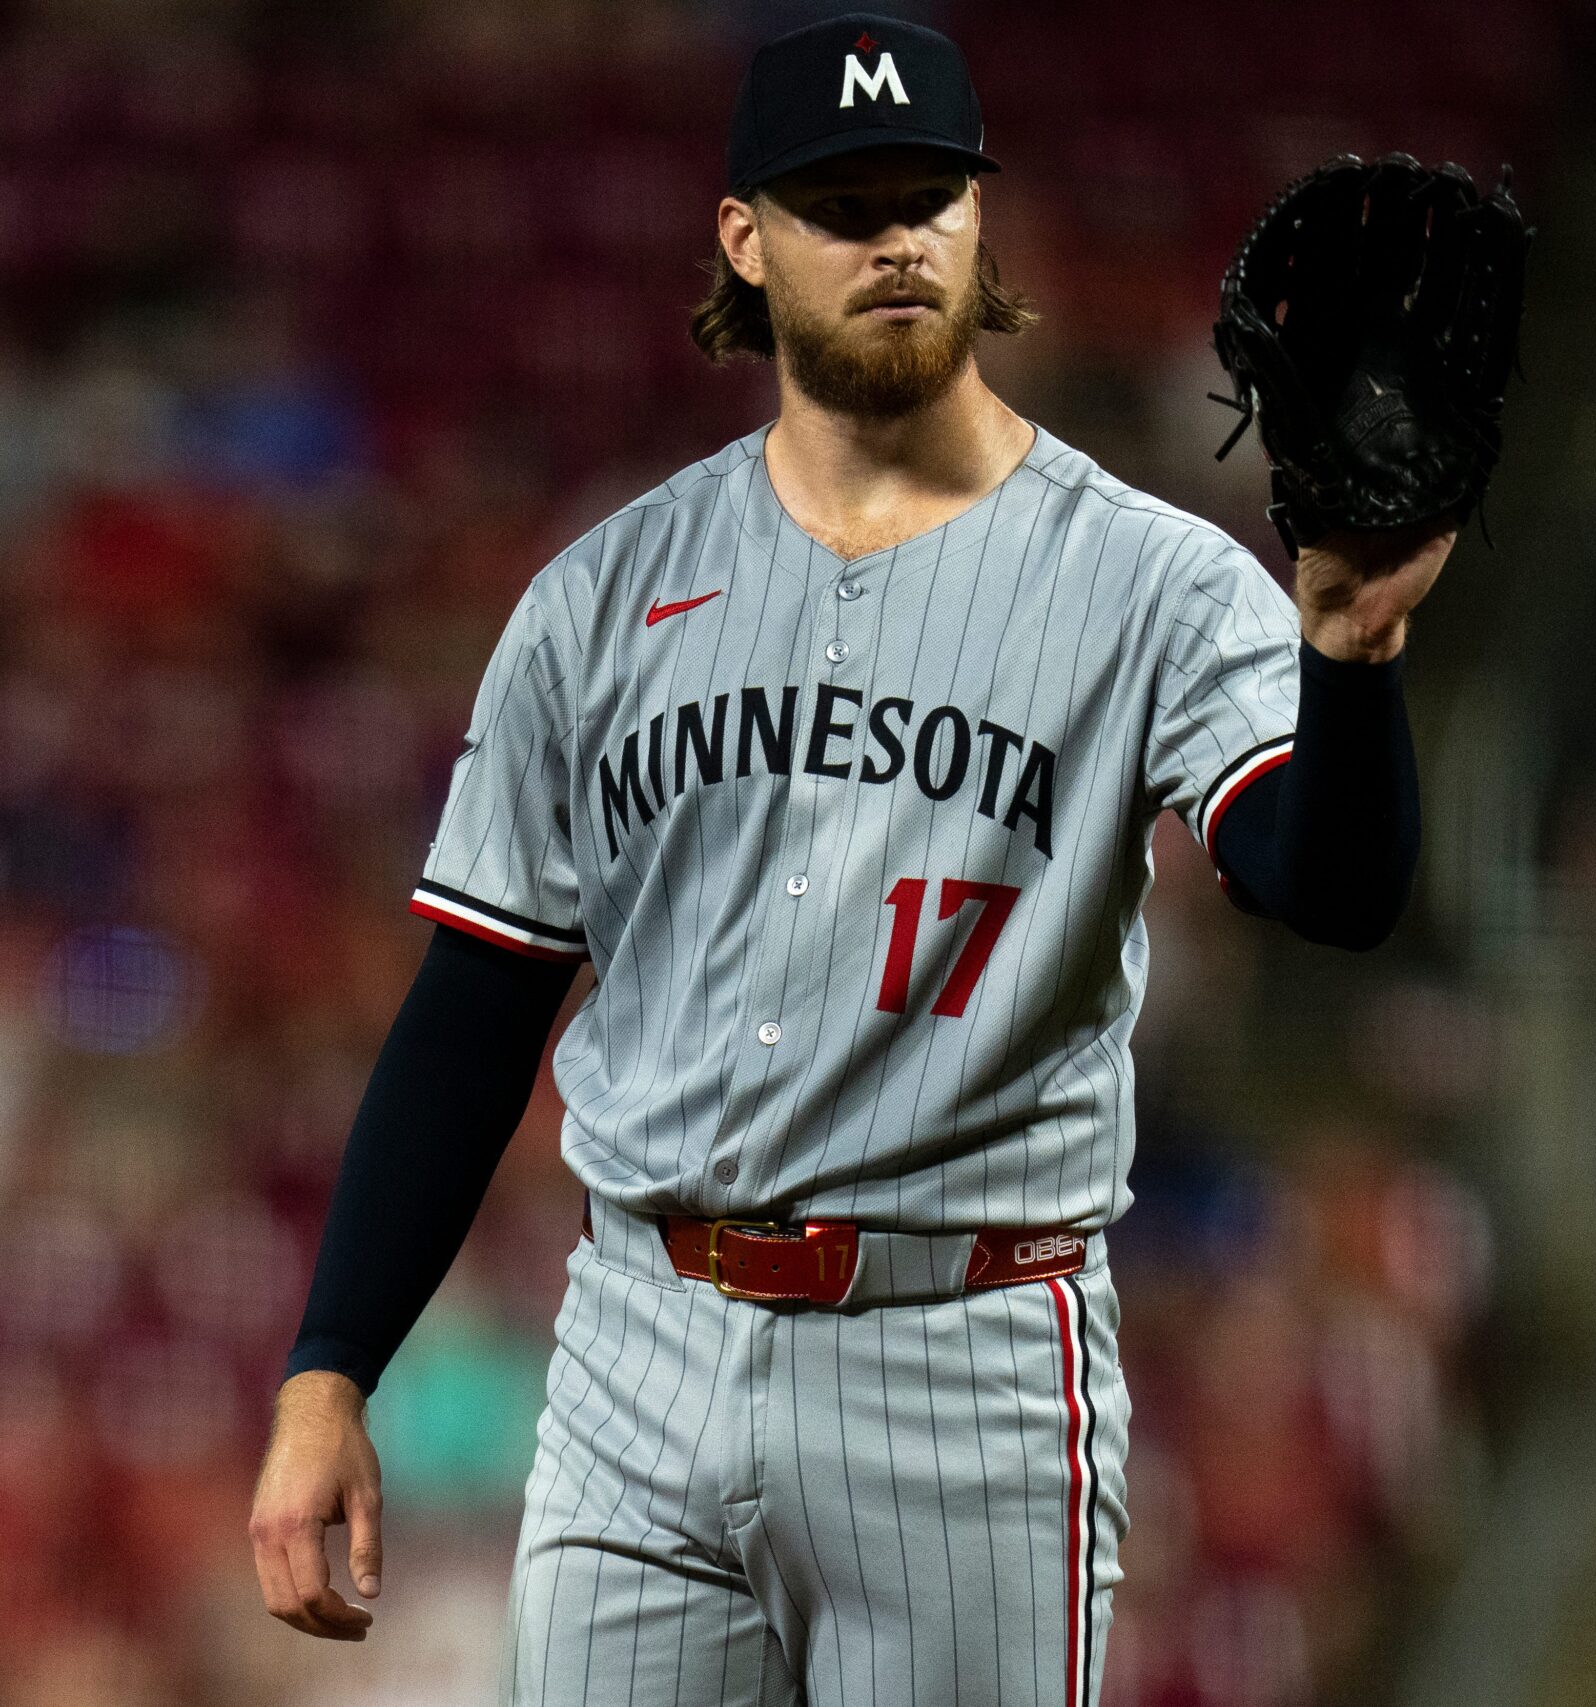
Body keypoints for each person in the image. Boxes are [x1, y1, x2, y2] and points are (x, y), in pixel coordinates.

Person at [245, 16, 1438, 1704]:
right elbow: (476, 1004)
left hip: (963, 1360)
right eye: (842, 204)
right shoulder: (601, 595)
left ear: (979, 223)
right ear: (746, 238)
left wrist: (1353, 662)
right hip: (642, 1338)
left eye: (928, 198)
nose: (895, 240)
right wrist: (331, 1367)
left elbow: (1336, 886)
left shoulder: (1155, 583)